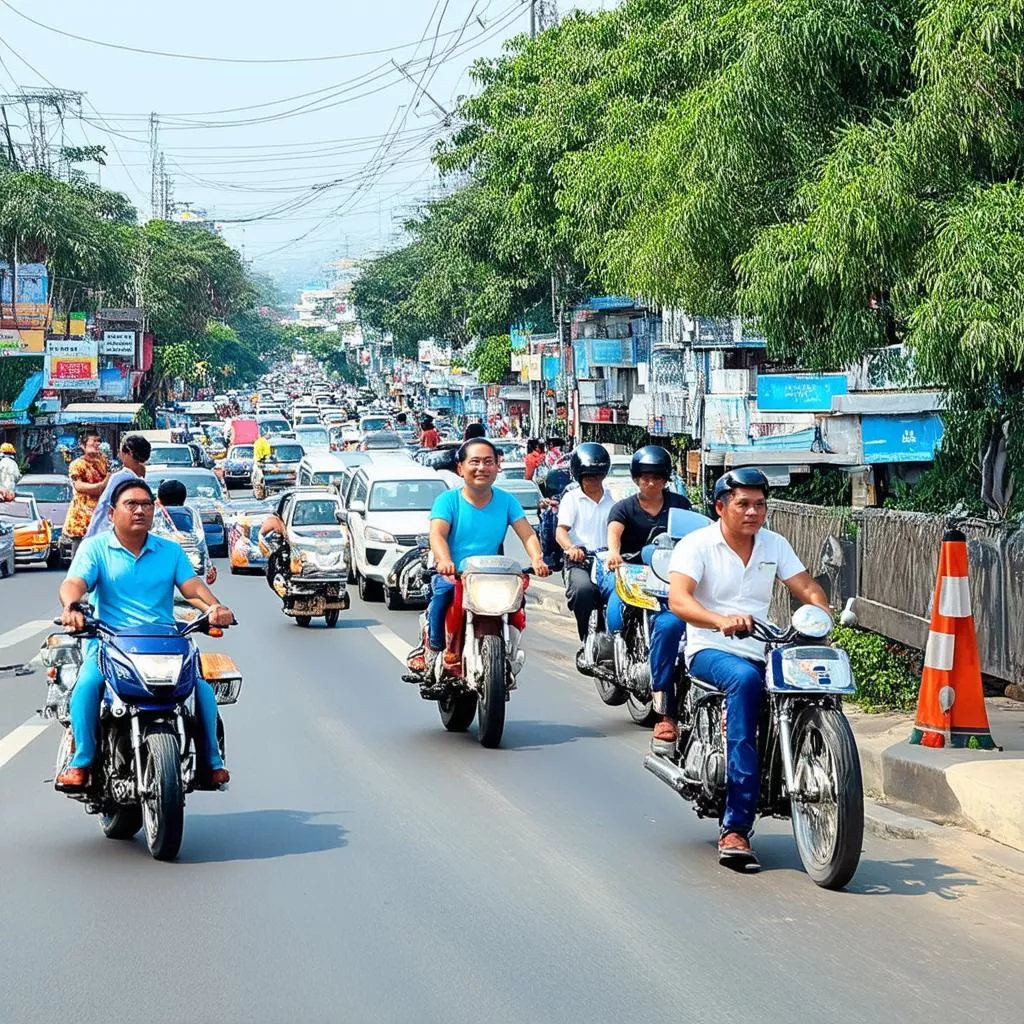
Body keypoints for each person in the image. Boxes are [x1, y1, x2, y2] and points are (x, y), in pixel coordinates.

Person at [668, 467, 829, 869]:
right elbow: (679, 601)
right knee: (744, 682)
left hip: (765, 645)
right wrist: (718, 620)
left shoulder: (774, 544)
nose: (753, 512)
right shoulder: (696, 544)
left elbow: (805, 587)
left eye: (760, 504)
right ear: (721, 507)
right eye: (743, 504)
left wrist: (821, 614)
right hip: (709, 647)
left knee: (810, 683)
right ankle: (736, 826)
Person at [54, 479, 234, 790]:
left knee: (201, 689)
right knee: (87, 684)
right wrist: (72, 607)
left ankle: (212, 762)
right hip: (109, 642)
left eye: (146, 505)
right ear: (112, 513)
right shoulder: (96, 548)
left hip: (164, 642)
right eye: (131, 504)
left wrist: (215, 607)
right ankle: (81, 762)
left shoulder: (170, 551)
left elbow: (191, 588)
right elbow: (75, 583)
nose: (140, 510)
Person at [413, 438, 550, 675]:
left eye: (488, 462)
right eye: (474, 462)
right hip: (454, 575)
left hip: (493, 576)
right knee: (442, 597)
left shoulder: (507, 501)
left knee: (517, 604)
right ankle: (433, 649)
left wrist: (537, 559)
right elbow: (437, 534)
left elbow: (527, 533)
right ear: (460, 468)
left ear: (498, 466)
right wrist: (445, 561)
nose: (481, 468)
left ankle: (508, 652)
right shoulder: (448, 501)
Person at [605, 446, 693, 744]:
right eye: (645, 477)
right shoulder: (624, 508)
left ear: (666, 479)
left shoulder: (680, 506)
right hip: (635, 575)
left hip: (674, 577)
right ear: (636, 479)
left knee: (676, 625)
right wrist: (615, 555)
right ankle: (663, 707)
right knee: (617, 611)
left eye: (657, 477)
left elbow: (696, 538)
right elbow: (614, 533)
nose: (651, 483)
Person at [556, 443, 615, 642]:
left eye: (598, 476)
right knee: (583, 590)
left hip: (610, 561)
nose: (594, 481)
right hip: (581, 560)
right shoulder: (571, 499)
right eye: (589, 477)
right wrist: (571, 548)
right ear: (579, 477)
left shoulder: (614, 499)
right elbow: (561, 531)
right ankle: (588, 639)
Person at [84, 434, 152, 539]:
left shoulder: (119, 478)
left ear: (129, 453)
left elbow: (103, 508)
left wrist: (91, 535)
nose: (119, 455)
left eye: (121, 451)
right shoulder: (144, 477)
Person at [156, 479, 217, 587]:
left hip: (165, 570)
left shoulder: (157, 515)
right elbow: (201, 540)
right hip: (194, 569)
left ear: (159, 499)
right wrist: (209, 566)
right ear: (184, 498)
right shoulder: (192, 513)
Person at [63, 429, 110, 559]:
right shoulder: (77, 464)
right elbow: (79, 486)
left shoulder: (103, 461)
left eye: (98, 441)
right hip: (82, 514)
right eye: (93, 441)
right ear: (83, 445)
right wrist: (101, 486)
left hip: (100, 511)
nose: (97, 444)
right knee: (80, 554)